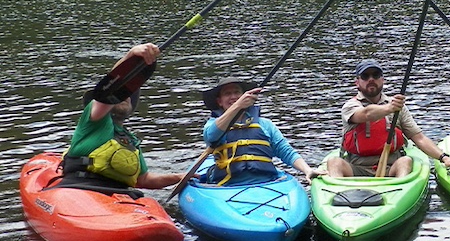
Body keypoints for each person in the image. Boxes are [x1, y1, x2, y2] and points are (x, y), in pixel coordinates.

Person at [62, 43, 182, 190]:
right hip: (82, 187)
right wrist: (131, 55)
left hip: (118, 196)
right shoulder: (95, 120)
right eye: (121, 93)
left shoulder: (131, 140)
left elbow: (144, 180)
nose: (125, 96)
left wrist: (179, 177)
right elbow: (110, 89)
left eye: (128, 95)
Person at [323, 59, 450, 178]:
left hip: (391, 168)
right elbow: (365, 114)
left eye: (375, 75)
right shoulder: (350, 106)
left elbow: (418, 138)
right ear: (357, 83)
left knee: (405, 161)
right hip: (356, 168)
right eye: (365, 76)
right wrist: (389, 108)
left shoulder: (398, 108)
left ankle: (399, 192)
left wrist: (444, 157)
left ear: (382, 80)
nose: (371, 79)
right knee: (334, 162)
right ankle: (338, 197)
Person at [201, 77, 315, 184]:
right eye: (227, 93)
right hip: (228, 185)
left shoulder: (265, 124)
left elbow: (286, 151)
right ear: (219, 101)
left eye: (237, 92)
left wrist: (307, 170)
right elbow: (211, 136)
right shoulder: (213, 125)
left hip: (267, 183)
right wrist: (237, 106)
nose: (233, 96)